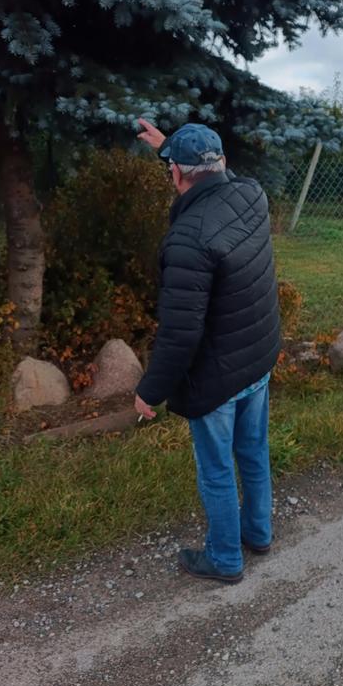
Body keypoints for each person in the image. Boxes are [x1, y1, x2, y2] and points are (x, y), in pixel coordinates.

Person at [134, 119, 281, 584]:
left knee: (217, 470)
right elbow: (221, 181)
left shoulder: (187, 238)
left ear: (177, 175)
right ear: (221, 164)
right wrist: (171, 150)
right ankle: (258, 534)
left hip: (217, 378)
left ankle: (224, 559)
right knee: (254, 451)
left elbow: (179, 334)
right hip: (257, 359)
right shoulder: (251, 194)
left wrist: (149, 392)